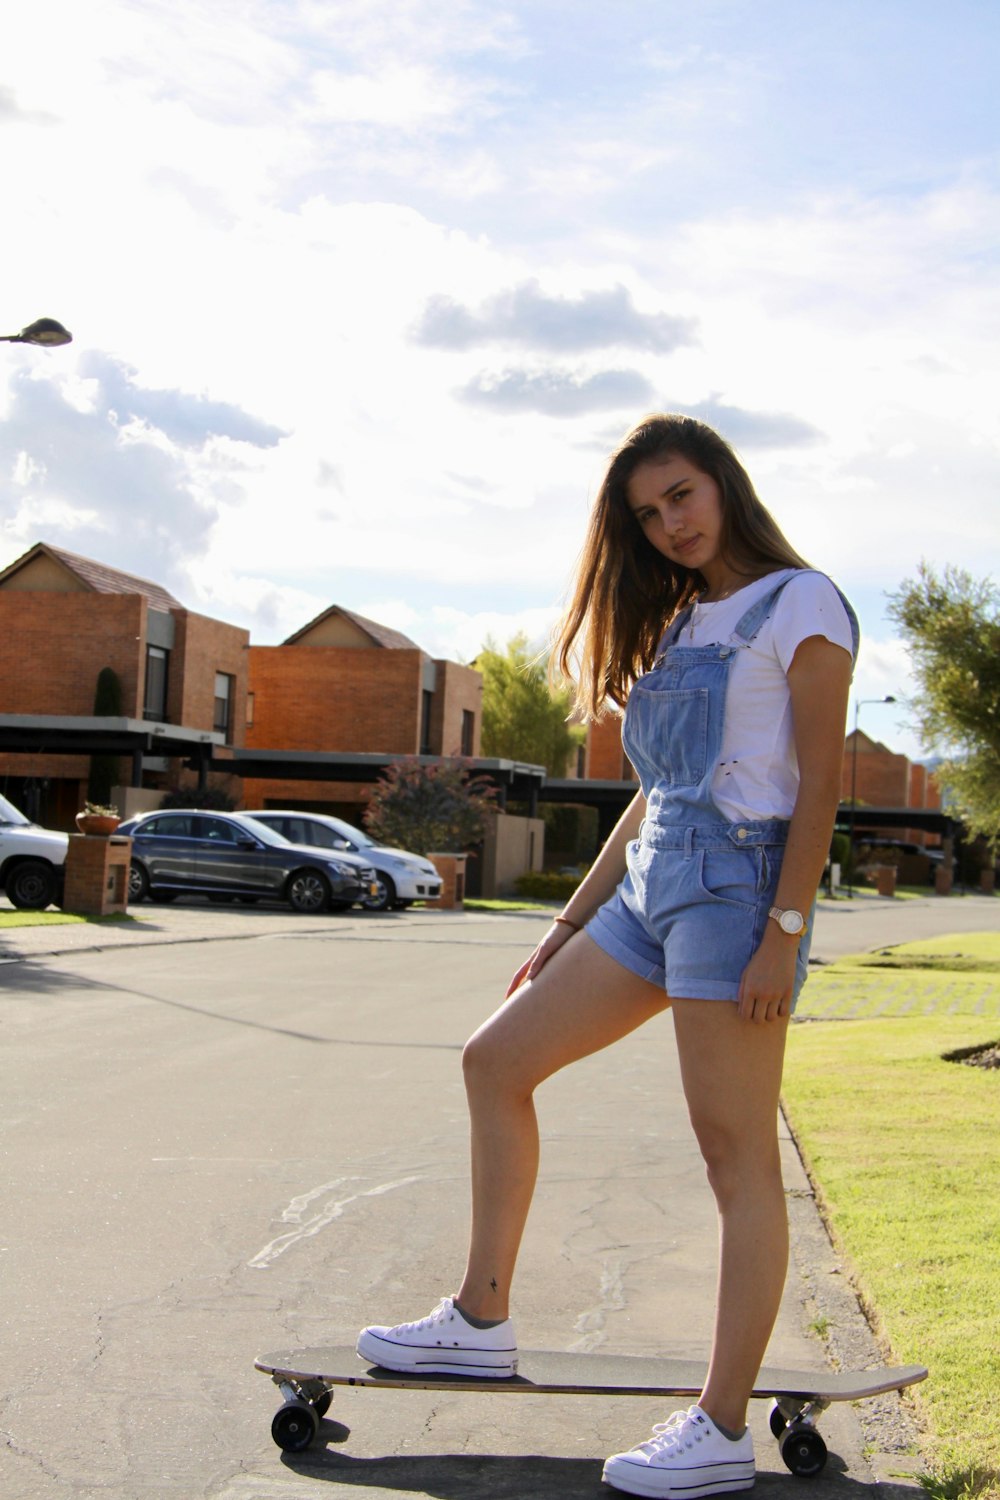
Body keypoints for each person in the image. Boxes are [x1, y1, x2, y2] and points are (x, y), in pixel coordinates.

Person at [357, 413, 859, 1498]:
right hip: (653, 887)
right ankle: (480, 1317)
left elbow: (818, 785)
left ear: (721, 482)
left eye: (679, 495)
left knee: (733, 1159)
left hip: (739, 898)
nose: (668, 523)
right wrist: (568, 923)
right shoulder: (683, 620)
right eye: (646, 513)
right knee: (494, 1061)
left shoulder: (800, 602)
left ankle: (721, 1425)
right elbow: (651, 794)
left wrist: (782, 933)